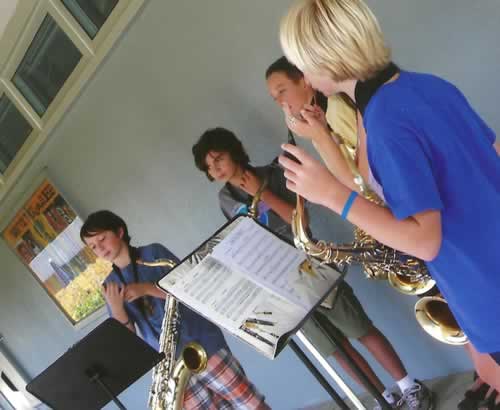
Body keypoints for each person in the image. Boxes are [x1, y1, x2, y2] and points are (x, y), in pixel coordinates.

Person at [277, 0, 500, 407]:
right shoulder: (426, 85)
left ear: (325, 56)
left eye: (302, 64)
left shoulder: (384, 120)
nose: (304, 77)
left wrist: (332, 196)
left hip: (487, 288)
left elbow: (425, 241)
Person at [192, 128, 431, 410]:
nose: (216, 168)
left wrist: (262, 193)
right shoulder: (225, 199)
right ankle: (384, 398)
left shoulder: (273, 174)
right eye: (209, 166)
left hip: (310, 266)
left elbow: (300, 220)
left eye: (218, 158)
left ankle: (408, 386)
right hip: (279, 282)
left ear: (234, 151)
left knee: (360, 328)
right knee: (334, 349)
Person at [80, 210, 270, 409]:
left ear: (119, 232)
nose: (100, 248)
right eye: (93, 246)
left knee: (250, 403)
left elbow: (190, 290)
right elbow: (128, 338)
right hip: (171, 368)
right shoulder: (110, 285)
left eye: (102, 239)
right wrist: (117, 308)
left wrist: (147, 289)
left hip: (203, 344)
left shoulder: (153, 253)